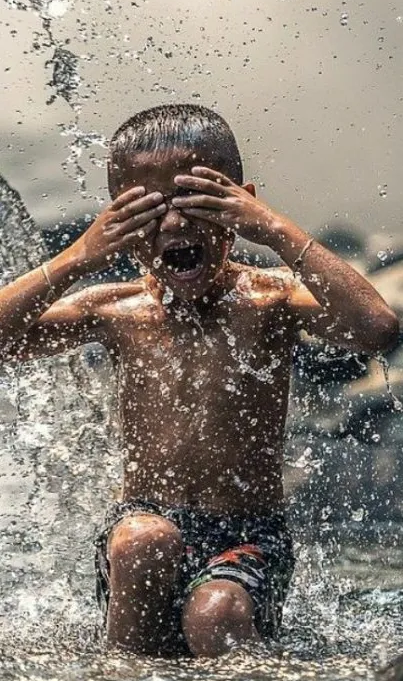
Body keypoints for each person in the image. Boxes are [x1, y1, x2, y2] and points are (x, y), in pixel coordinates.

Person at [0, 104, 398, 658]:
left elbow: (375, 328)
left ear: (240, 205)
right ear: (116, 220)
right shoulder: (117, 309)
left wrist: (276, 229)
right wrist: (79, 257)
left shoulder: (271, 301)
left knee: (215, 615)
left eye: (195, 201)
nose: (173, 225)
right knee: (145, 540)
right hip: (139, 530)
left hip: (249, 537)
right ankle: (122, 670)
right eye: (145, 210)